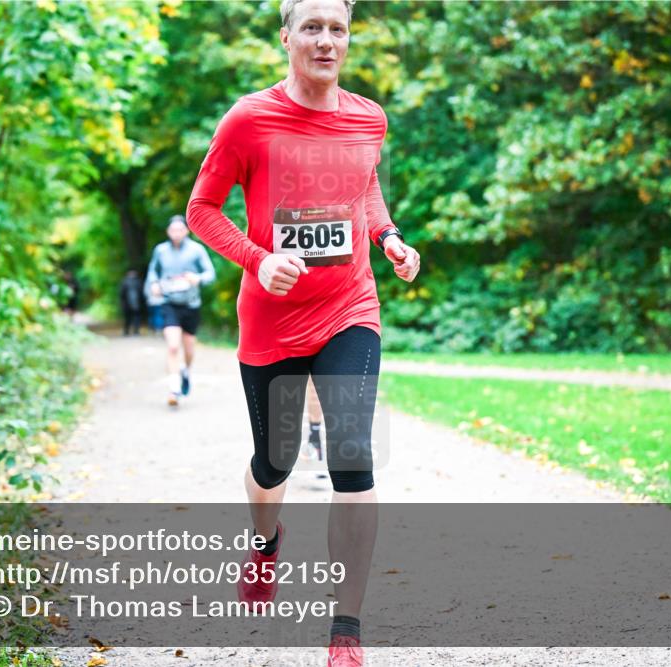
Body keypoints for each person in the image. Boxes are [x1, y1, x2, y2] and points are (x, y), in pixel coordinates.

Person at [185, 0, 420, 664]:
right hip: (273, 318)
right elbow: (201, 209)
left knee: (352, 453)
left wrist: (389, 237)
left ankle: (346, 629)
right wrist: (258, 259)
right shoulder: (249, 119)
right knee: (275, 461)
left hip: (350, 307)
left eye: (337, 29)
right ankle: (265, 543)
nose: (325, 40)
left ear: (348, 38)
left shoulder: (369, 117)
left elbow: (365, 188)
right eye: (311, 28)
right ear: (286, 37)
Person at [145, 215, 216, 406]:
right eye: (172, 230)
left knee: (189, 348)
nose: (176, 233)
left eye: (180, 229)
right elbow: (152, 271)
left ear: (187, 231)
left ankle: (185, 370)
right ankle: (174, 388)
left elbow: (210, 274)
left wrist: (197, 278)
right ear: (168, 232)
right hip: (169, 303)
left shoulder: (197, 250)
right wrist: (154, 284)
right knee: (173, 346)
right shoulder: (161, 250)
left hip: (191, 304)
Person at [119, 268, 144, 336]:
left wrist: (122, 304)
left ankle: (127, 331)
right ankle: (135, 331)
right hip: (136, 304)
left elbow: (121, 294)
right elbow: (142, 294)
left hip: (128, 305)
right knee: (135, 318)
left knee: (128, 318)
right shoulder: (138, 282)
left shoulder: (124, 282)